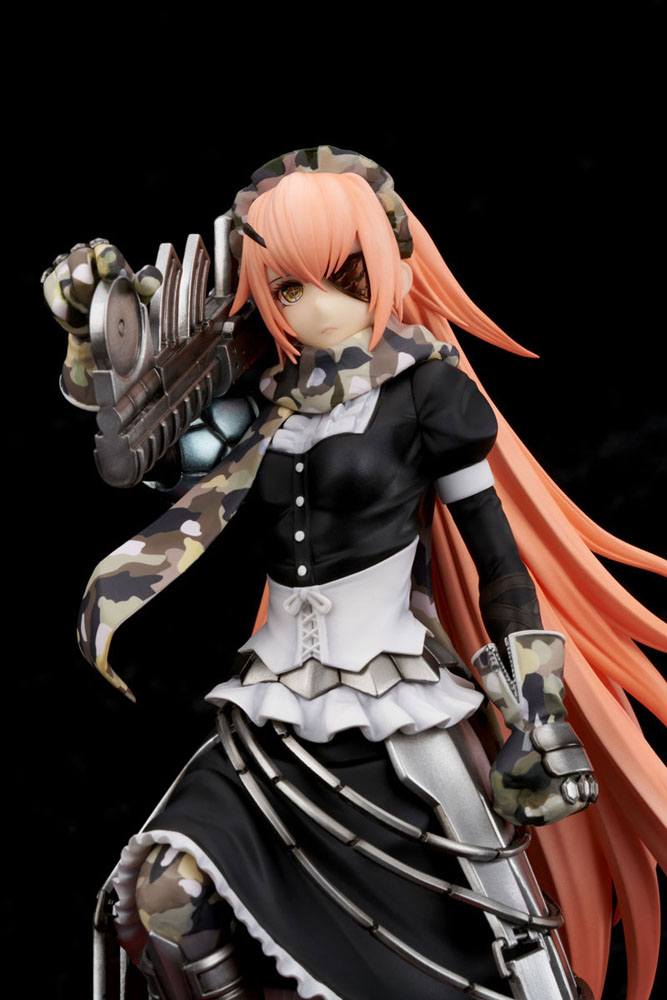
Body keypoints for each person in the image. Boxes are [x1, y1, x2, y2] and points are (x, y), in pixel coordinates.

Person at [42, 145, 666, 1000]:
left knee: (482, 948)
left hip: (392, 718)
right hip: (271, 711)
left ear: (386, 265)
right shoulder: (265, 405)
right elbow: (139, 457)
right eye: (288, 287)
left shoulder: (427, 395)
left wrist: (537, 710)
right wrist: (93, 341)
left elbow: (497, 562)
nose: (317, 306)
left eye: (344, 277)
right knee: (164, 895)